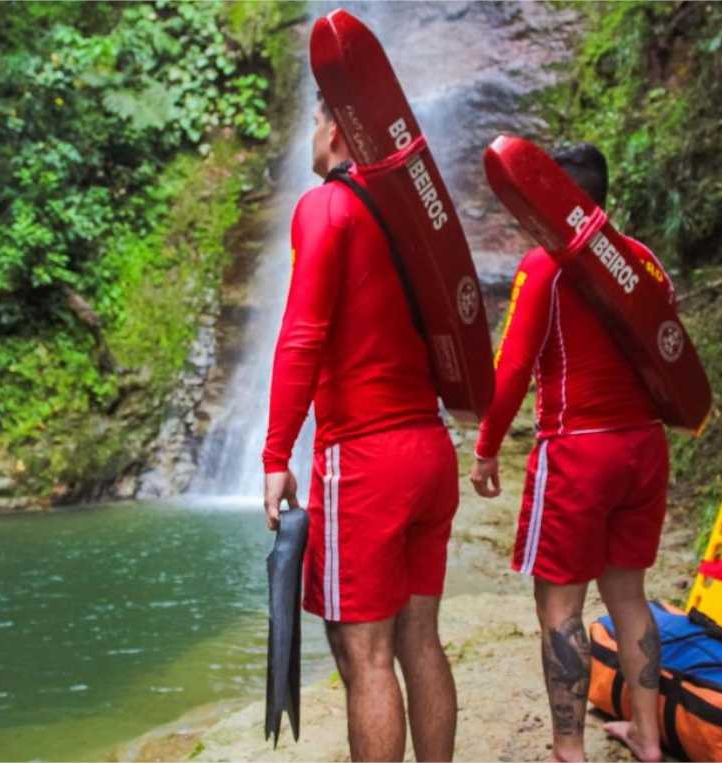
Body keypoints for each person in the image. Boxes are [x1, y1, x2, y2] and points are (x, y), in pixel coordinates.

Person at [261, 94, 460, 762]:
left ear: (338, 132)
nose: (311, 135)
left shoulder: (325, 207)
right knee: (419, 639)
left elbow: (301, 335)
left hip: (365, 460)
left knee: (364, 653)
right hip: (430, 449)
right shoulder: (411, 220)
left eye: (315, 122)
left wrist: (275, 454)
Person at [469, 143, 671, 763]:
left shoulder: (547, 266)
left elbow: (511, 368)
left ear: (560, 198)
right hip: (644, 449)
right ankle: (649, 738)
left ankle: (567, 748)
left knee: (560, 605)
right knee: (629, 596)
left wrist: (486, 448)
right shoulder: (644, 261)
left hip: (577, 454)